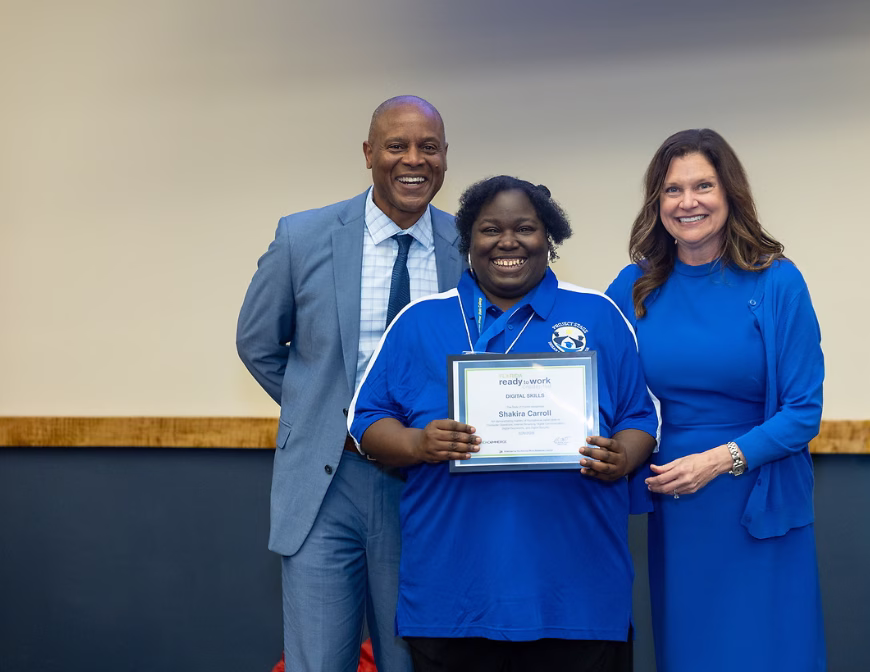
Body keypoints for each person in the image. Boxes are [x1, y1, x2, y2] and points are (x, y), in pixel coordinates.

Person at [348, 176, 658, 672]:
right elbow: (365, 422)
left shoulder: (598, 315)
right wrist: (417, 442)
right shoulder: (420, 321)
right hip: (454, 598)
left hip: (577, 595)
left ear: (549, 239)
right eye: (490, 229)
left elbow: (641, 417)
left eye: (526, 228)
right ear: (469, 240)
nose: (508, 241)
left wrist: (623, 455)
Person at [237, 95, 465, 672]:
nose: (413, 159)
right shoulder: (303, 237)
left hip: (426, 488)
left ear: (444, 158)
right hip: (325, 482)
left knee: (413, 658)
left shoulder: (468, 245)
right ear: (369, 154)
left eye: (428, 147)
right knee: (317, 661)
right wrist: (318, 410)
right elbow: (258, 343)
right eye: (396, 145)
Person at [606, 129, 826, 671]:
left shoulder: (777, 281)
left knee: (769, 650)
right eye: (672, 190)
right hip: (678, 502)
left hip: (757, 492)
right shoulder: (634, 286)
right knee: (694, 651)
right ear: (657, 203)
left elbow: (803, 412)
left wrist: (718, 461)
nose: (688, 202)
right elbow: (594, 378)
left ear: (729, 194)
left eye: (702, 185)